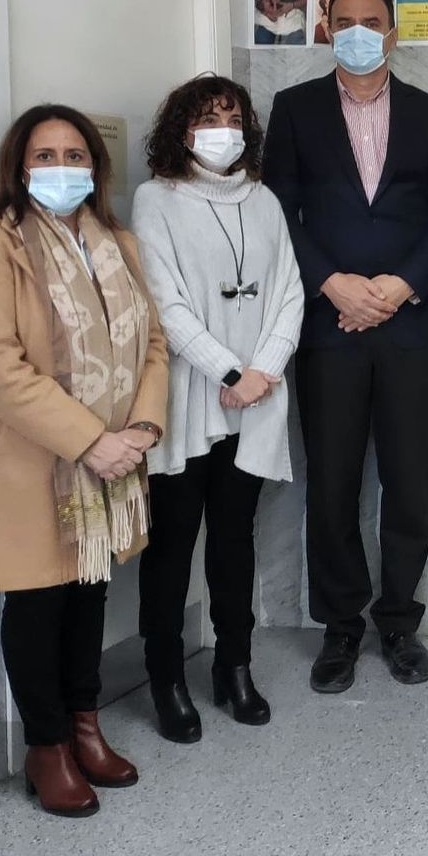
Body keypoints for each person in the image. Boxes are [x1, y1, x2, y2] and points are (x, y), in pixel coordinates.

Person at [0, 105, 169, 817]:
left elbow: (153, 343)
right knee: (38, 601)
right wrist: (90, 440)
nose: (62, 168)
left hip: (114, 460)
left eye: (75, 156)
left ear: (95, 169)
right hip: (33, 462)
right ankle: (46, 748)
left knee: (89, 593)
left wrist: (141, 427)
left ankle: (84, 728)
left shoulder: (119, 243)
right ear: (19, 166)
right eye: (45, 156)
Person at [264, 0, 428, 695]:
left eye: (371, 21)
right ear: (327, 29)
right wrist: (332, 283)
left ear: (392, 33)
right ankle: (341, 626)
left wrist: (397, 286)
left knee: (409, 482)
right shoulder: (294, 110)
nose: (357, 31)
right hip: (329, 327)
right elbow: (278, 211)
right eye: (345, 21)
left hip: (411, 327)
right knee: (332, 482)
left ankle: (399, 623)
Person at [133, 75, 304, 743]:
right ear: (182, 129)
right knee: (172, 547)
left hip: (253, 400)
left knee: (235, 543)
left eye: (233, 120)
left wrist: (261, 373)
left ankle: (235, 666)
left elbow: (289, 290)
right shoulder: (156, 199)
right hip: (190, 399)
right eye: (208, 119)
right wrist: (229, 371)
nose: (222, 132)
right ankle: (166, 679)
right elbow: (164, 302)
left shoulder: (263, 199)